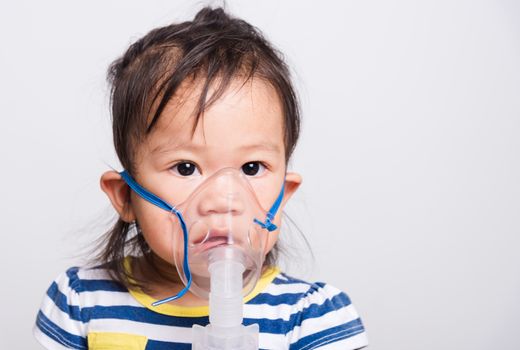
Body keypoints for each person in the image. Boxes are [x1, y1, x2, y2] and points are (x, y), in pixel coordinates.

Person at [34, 6, 368, 350]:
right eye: (186, 167)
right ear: (125, 196)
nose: (223, 201)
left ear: (284, 193)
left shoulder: (312, 319)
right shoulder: (81, 303)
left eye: (251, 168)